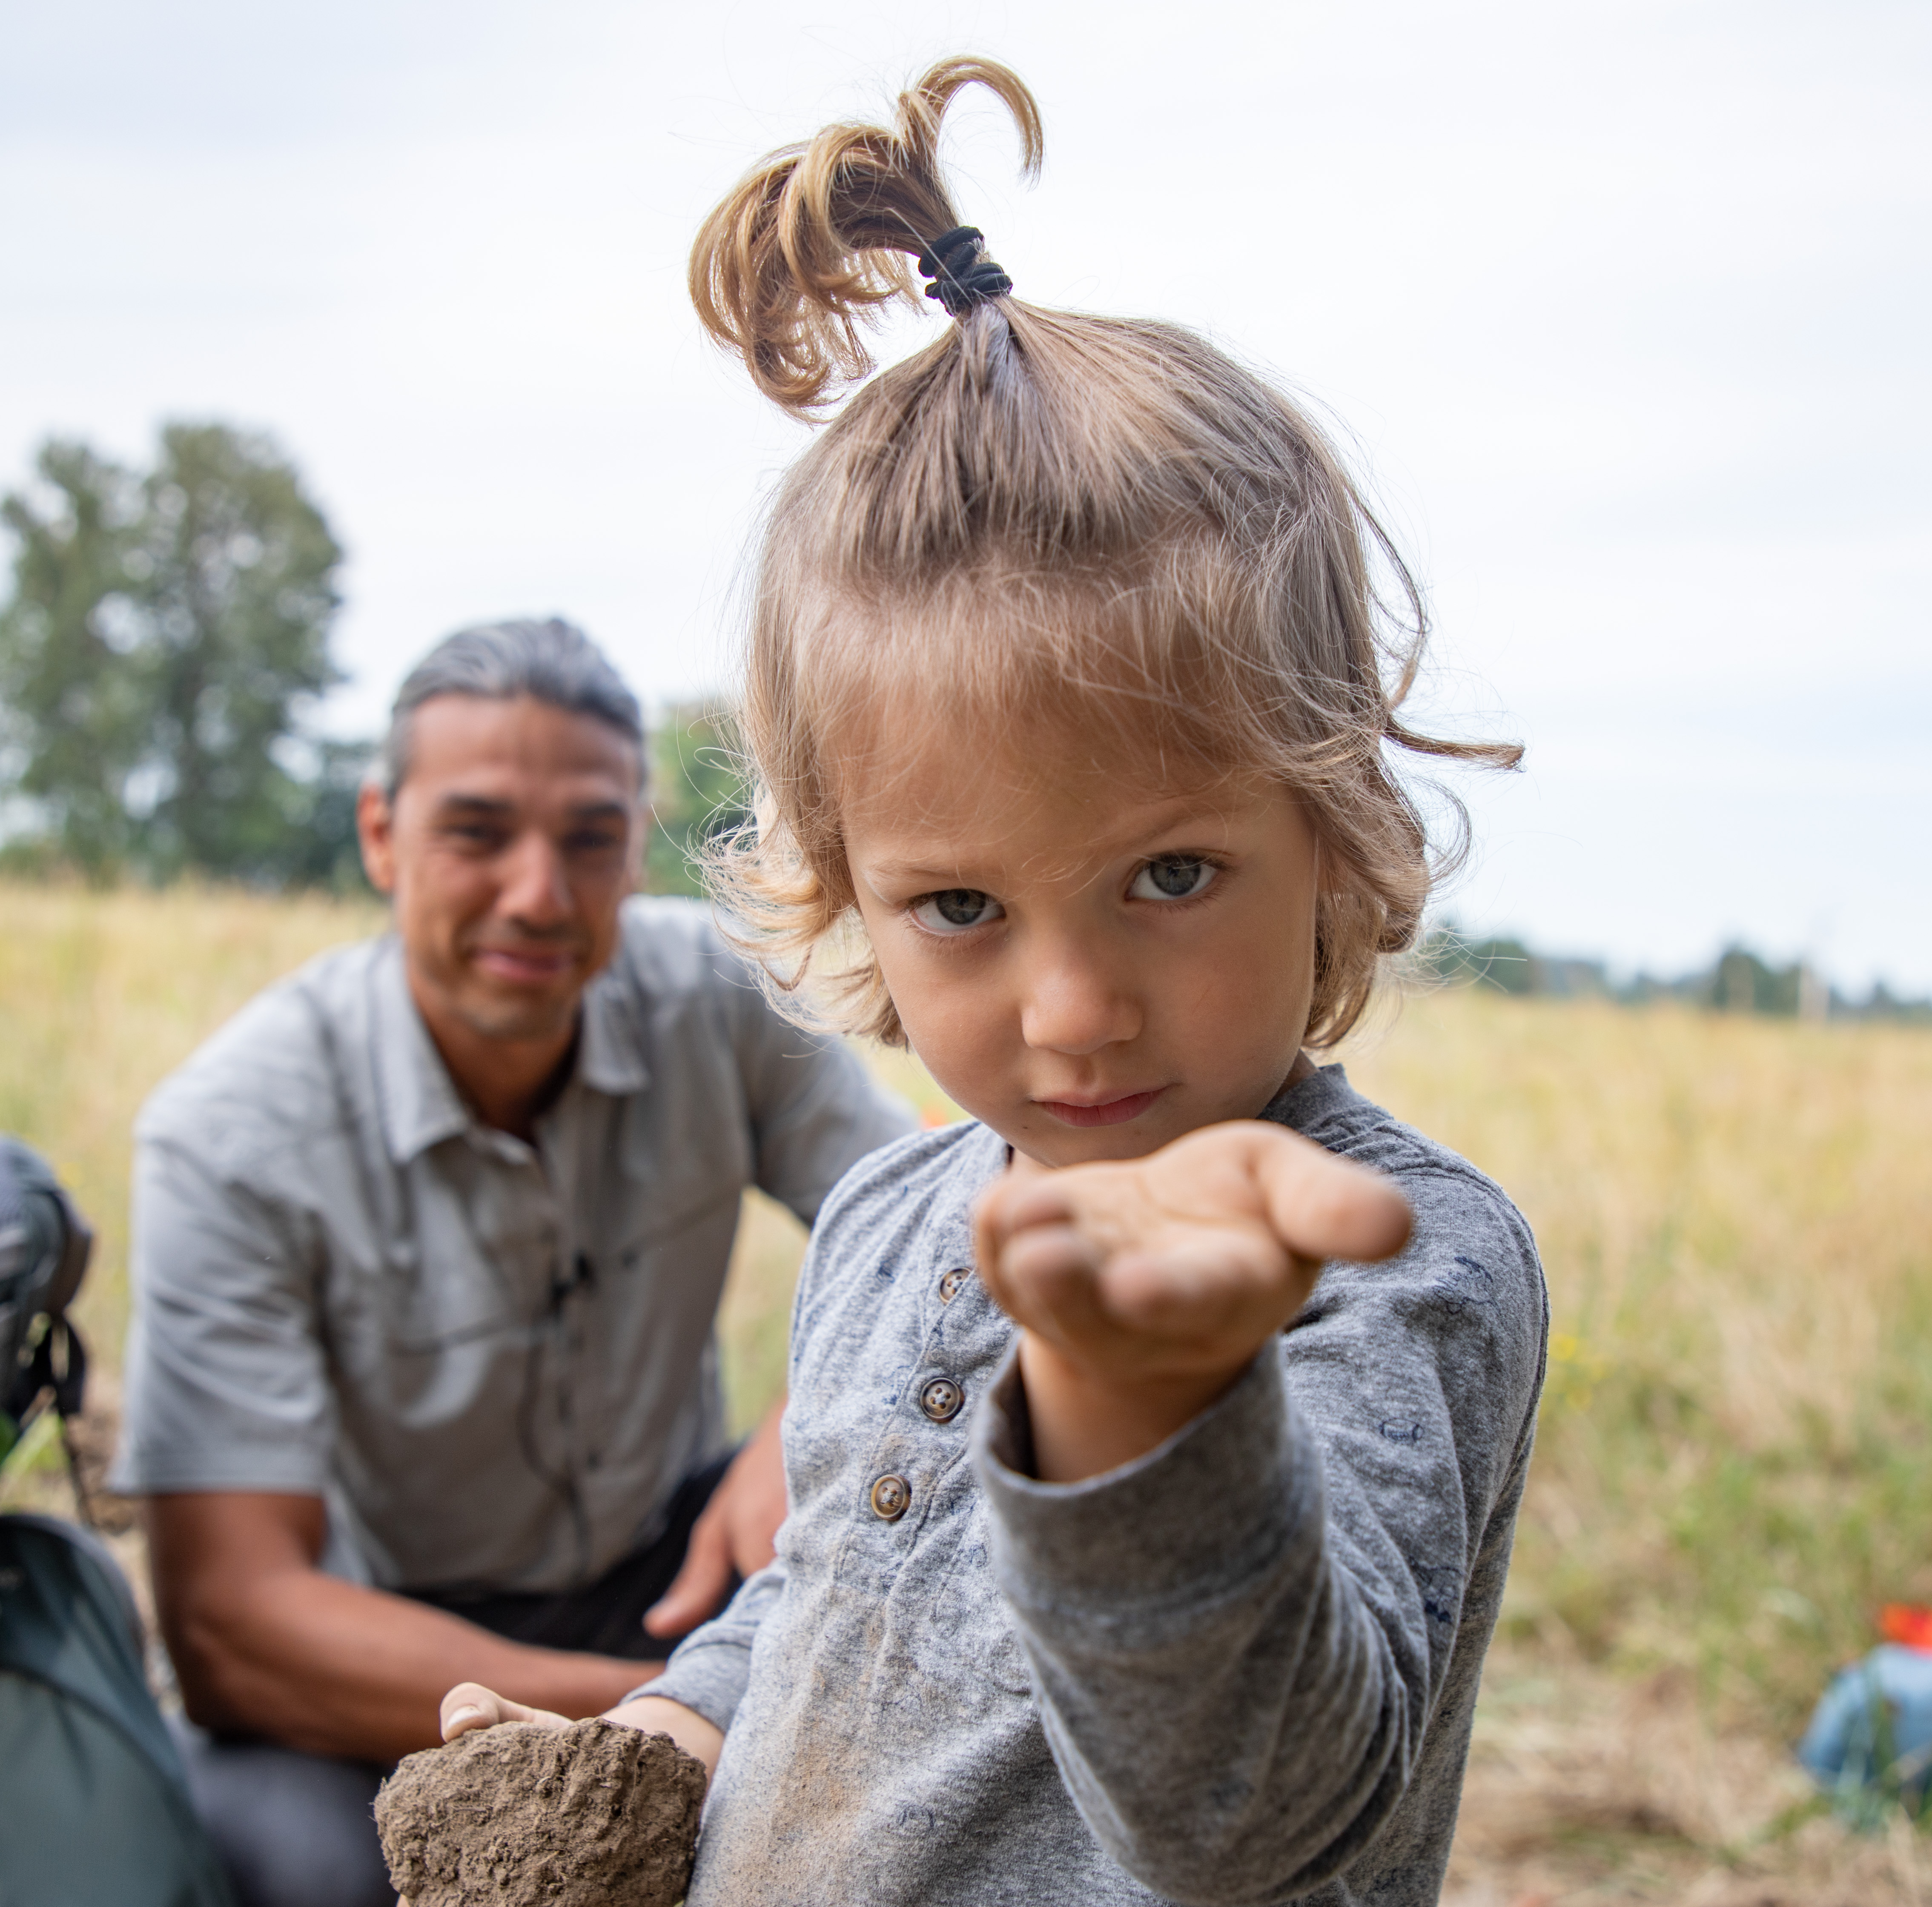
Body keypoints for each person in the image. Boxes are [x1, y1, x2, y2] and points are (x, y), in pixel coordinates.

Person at [427, 59, 1549, 1907]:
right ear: (842, 894)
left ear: (1334, 827)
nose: (1070, 1010)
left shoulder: (1392, 1255)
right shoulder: (887, 1215)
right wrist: (662, 1741)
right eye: (957, 906)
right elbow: (825, 1596)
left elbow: (1262, 1823)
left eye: (1170, 876)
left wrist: (1152, 1404)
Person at [109, 618, 913, 1907]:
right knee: (312, 1872)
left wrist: (799, 1423)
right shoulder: (232, 1134)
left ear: (637, 843)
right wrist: (668, 1721)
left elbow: (951, 1223)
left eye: (591, 839)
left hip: (666, 1582)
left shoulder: (719, 1000)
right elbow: (233, 1625)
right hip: (387, 1651)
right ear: (382, 834)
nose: (539, 895)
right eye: (477, 833)